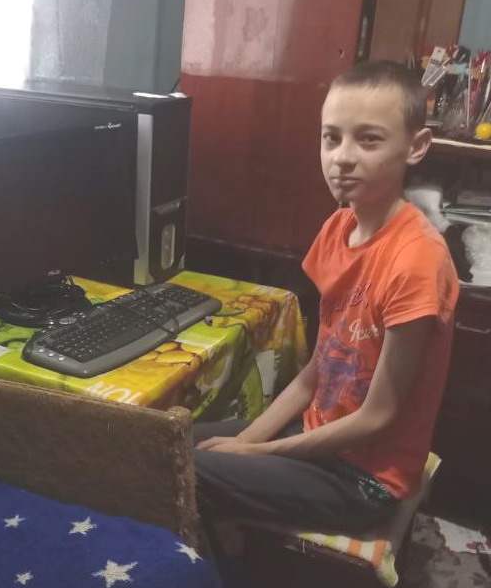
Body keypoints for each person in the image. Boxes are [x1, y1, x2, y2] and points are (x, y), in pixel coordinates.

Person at [194, 60, 459, 535]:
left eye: (369, 140)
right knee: (165, 441)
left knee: (182, 471)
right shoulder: (337, 229)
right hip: (316, 437)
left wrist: (258, 451)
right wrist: (248, 440)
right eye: (331, 138)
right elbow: (315, 372)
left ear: (416, 146)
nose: (342, 157)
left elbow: (378, 417)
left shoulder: (417, 260)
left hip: (363, 479)